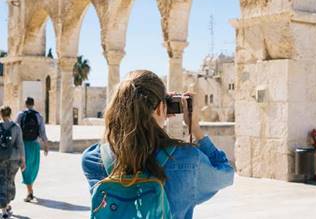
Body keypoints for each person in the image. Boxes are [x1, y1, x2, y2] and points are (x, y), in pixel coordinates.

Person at [82, 70, 234, 219]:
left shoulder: (93, 159)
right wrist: (195, 128)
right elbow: (226, 173)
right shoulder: (188, 160)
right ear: (161, 107)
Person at [16, 97, 49, 202]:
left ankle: (29, 191)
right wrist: (46, 145)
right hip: (35, 145)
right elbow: (42, 131)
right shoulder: (38, 116)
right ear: (33, 104)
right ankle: (30, 190)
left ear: (25, 104)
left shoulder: (20, 115)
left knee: (25, 168)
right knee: (33, 167)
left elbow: (16, 129)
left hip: (23, 145)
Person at [0, 106, 25, 219]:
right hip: (14, 158)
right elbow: (20, 145)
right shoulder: (17, 127)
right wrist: (23, 160)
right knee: (10, 181)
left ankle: (4, 209)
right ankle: (7, 204)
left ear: (1, 114)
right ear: (10, 114)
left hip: (1, 159)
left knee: (2, 182)